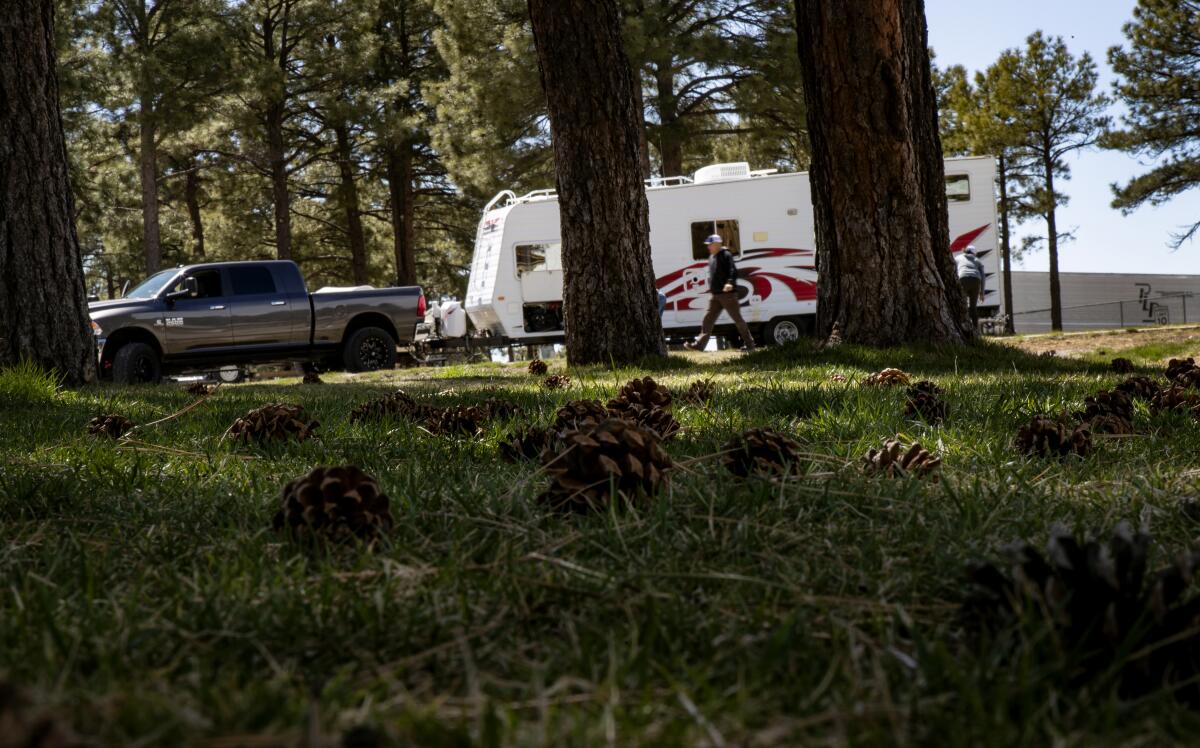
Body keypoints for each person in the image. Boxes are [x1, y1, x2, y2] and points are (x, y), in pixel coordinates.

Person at [684, 234, 756, 352]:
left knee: (738, 320)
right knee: (708, 319)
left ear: (717, 244)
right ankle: (699, 345)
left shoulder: (725, 255)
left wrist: (730, 283)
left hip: (728, 295)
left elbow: (733, 270)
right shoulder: (713, 257)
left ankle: (750, 345)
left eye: (710, 245)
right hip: (715, 295)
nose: (708, 247)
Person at [955, 245, 986, 325]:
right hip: (976, 280)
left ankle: (961, 325)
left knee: (961, 304)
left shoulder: (958, 258)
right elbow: (983, 277)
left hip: (963, 278)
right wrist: (982, 292)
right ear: (974, 253)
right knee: (973, 307)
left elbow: (953, 269)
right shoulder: (978, 260)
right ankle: (976, 330)